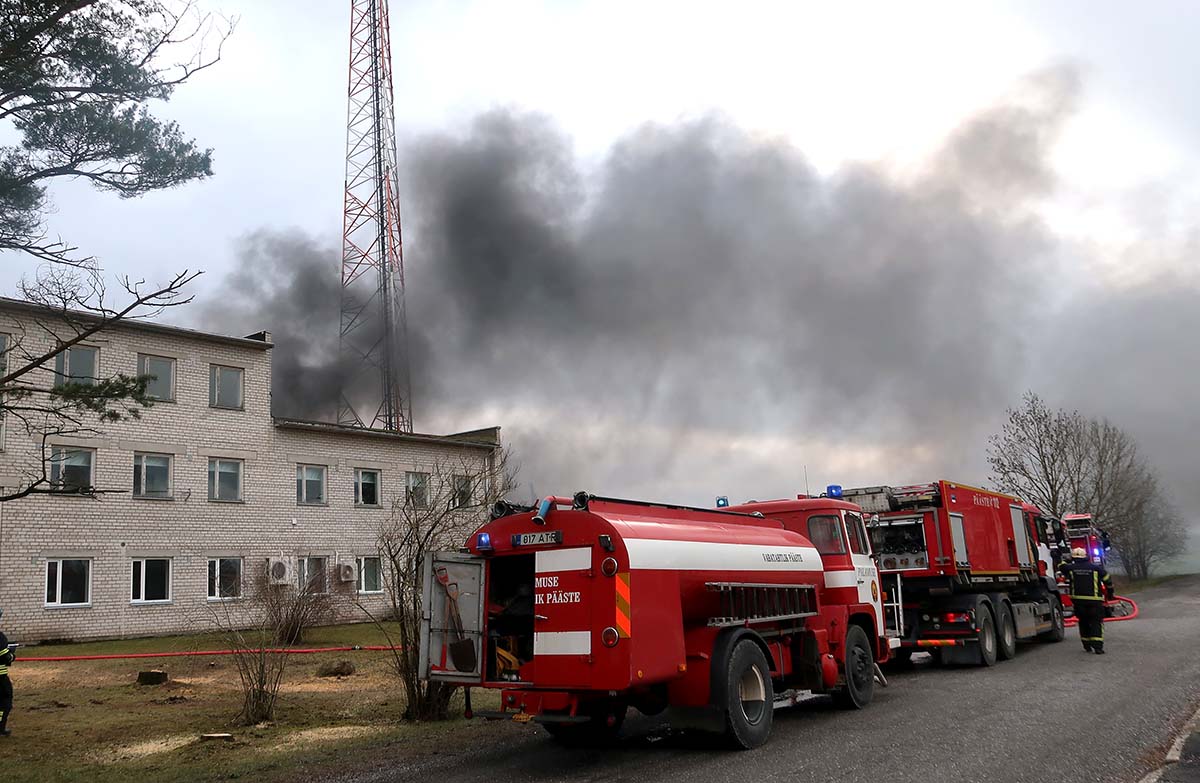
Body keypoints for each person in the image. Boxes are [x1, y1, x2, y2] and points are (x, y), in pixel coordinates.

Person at [1059, 547, 1114, 654]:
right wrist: (1110, 593)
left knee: (1083, 622)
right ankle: (1098, 647)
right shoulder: (1096, 568)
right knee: (1096, 622)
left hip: (1078, 602)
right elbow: (1107, 579)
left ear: (1073, 557)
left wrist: (1066, 560)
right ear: (1086, 556)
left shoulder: (1070, 568)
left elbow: (1061, 566)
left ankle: (1087, 645)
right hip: (1095, 601)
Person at [0, 607, 12, 736]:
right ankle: (0, 727)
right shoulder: (0, 637)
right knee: (5, 701)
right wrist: (12, 655)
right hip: (0, 677)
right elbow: (5, 656)